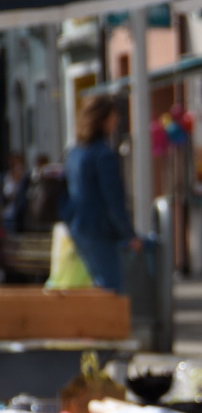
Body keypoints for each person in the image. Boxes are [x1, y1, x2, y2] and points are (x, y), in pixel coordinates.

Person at [62, 94, 140, 291]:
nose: (117, 121)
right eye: (114, 116)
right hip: (99, 230)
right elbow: (113, 200)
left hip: (78, 228)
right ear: (103, 119)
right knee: (112, 289)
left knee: (100, 286)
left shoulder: (74, 153)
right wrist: (129, 234)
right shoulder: (104, 155)